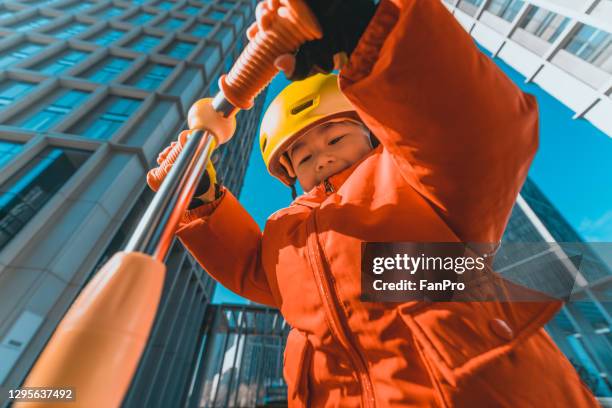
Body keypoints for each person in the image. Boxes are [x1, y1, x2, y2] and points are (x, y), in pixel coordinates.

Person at [147, 0, 599, 406]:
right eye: (301, 156)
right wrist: (205, 202)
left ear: (373, 133)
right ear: (290, 175)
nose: (320, 157)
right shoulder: (287, 231)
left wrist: (372, 35)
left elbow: (470, 136)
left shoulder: (416, 181)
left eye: (336, 137)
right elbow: (253, 266)